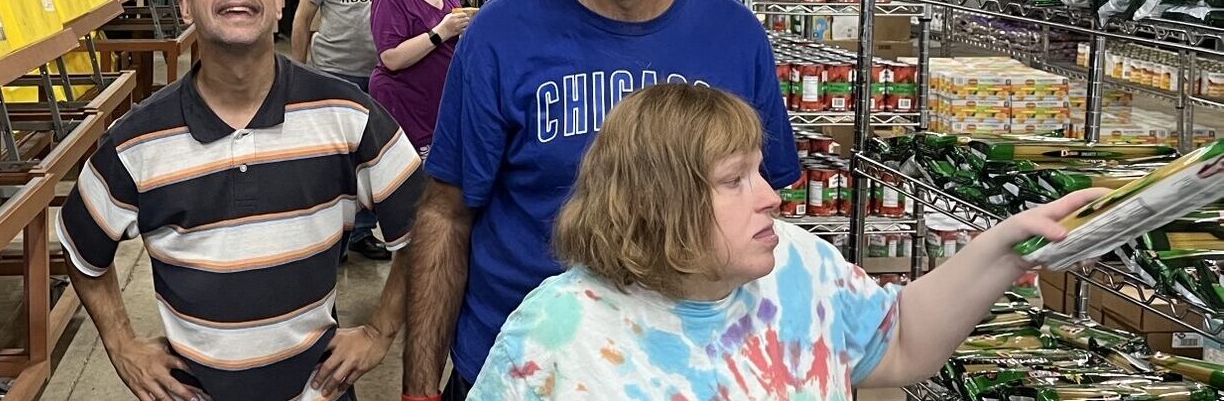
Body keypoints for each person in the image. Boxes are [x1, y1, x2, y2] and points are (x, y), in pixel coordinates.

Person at [402, 0, 804, 401]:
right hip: (520, 373)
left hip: (686, 373)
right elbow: (446, 213)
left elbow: (766, 216)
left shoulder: (735, 37)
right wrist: (418, 388)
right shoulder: (499, 36)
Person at [466, 84, 1106, 399]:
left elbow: (902, 342)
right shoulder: (561, 330)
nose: (771, 197)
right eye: (734, 180)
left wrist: (1006, 247)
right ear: (659, 201)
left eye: (760, 172)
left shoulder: (797, 263)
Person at [58, 0, 425, 401]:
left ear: (278, 1)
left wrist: (379, 330)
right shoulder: (137, 140)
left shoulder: (347, 115)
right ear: (186, 7)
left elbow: (426, 226)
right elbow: (81, 247)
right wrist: (121, 343)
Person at [292, 0, 393, 261]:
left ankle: (362, 231)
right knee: (334, 160)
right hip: (335, 73)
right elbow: (302, 20)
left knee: (371, 157)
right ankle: (332, 235)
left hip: (381, 75)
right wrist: (297, 73)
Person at [369, 0, 471, 157]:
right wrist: (440, 32)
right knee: (418, 177)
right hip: (407, 106)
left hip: (439, 102)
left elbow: (452, 23)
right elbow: (391, 58)